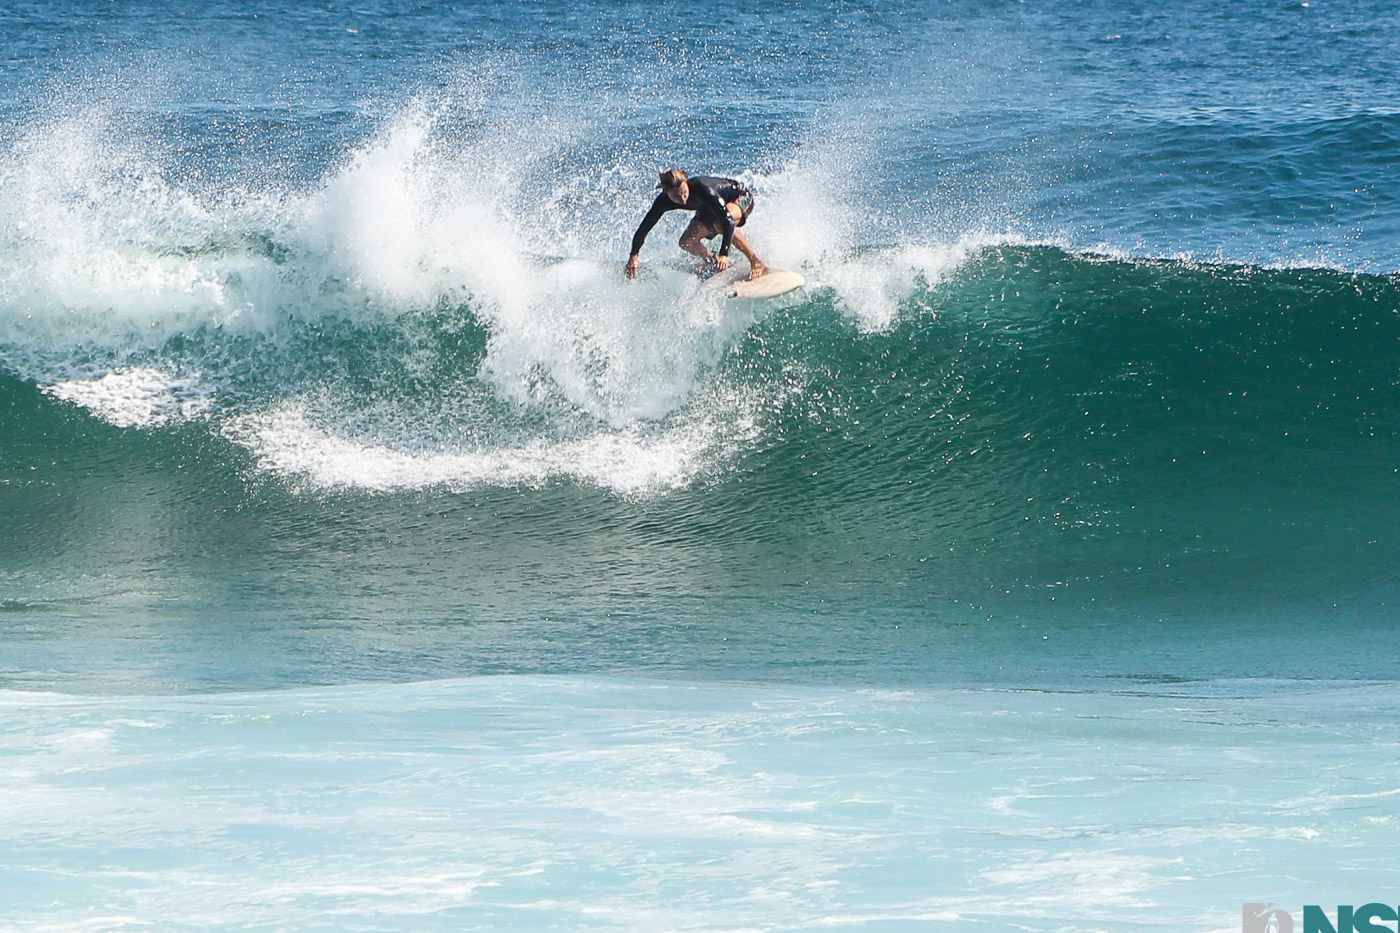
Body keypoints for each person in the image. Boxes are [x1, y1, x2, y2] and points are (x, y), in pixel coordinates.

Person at [625, 169, 768, 280]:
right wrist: (634, 255)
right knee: (686, 242)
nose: (682, 198)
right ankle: (712, 261)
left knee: (720, 225)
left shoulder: (704, 189)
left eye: (684, 192)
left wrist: (724, 254)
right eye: (676, 196)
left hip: (739, 197)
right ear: (667, 193)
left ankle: (756, 262)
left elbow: (727, 221)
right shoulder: (663, 201)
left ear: (686, 183)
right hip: (710, 209)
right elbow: (644, 228)